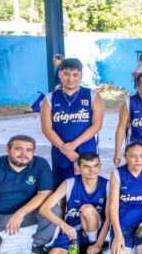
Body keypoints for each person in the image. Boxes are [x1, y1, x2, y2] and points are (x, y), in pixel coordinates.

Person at [40, 58, 104, 188]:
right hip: (60, 150)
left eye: (75, 75)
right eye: (66, 74)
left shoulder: (93, 96)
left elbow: (96, 125)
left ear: (81, 75)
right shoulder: (49, 98)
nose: (71, 79)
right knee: (62, 186)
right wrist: (66, 150)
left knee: (87, 185)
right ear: (60, 74)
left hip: (86, 149)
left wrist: (73, 145)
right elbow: (47, 129)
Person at [37, 152, 108, 254]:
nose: (92, 170)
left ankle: (93, 244)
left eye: (95, 166)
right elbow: (44, 209)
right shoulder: (69, 183)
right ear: (78, 168)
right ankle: (80, 248)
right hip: (73, 230)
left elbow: (110, 218)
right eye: (86, 166)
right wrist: (63, 225)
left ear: (99, 166)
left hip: (95, 231)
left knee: (87, 209)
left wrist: (98, 243)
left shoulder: (107, 185)